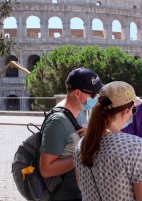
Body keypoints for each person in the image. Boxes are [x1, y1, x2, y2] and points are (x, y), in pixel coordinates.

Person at [73, 81, 142, 201]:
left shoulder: (82, 144)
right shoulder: (134, 146)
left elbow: (82, 186)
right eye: (133, 110)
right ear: (125, 112)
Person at [39, 67, 103, 201]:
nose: (95, 98)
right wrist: (83, 155)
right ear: (78, 93)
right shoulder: (58, 121)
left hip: (78, 191)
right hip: (62, 194)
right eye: (93, 95)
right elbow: (46, 169)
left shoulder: (79, 112)